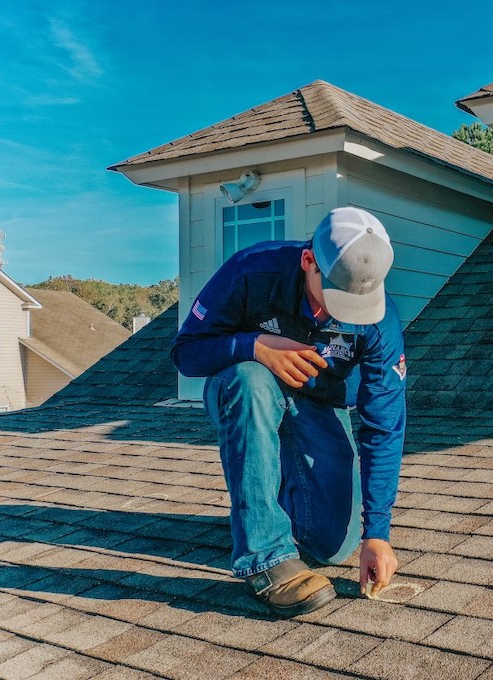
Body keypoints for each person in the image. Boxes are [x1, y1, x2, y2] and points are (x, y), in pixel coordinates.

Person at [171, 206, 406, 617]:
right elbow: (186, 354)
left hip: (318, 407)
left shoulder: (381, 320)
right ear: (308, 260)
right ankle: (265, 558)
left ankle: (268, 502)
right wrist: (254, 347)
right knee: (250, 380)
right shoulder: (251, 272)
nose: (339, 312)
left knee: (332, 546)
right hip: (246, 394)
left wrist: (379, 533)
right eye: (335, 295)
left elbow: (383, 424)